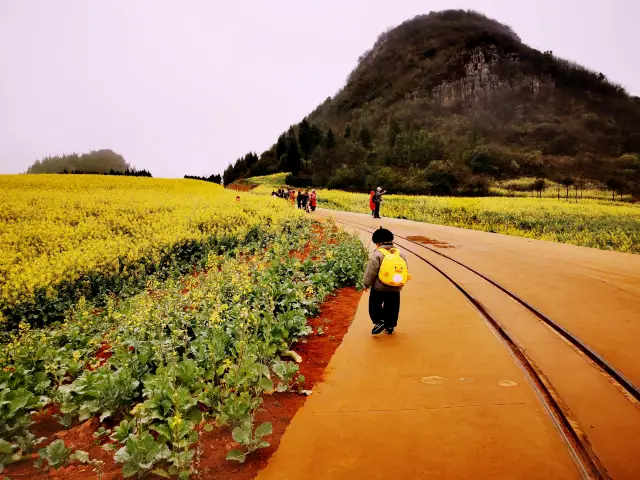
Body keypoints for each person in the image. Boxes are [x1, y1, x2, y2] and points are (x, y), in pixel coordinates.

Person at [362, 228, 408, 335]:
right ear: (391, 240)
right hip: (395, 287)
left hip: (379, 287)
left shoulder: (377, 254)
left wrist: (366, 284)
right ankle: (390, 325)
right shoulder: (400, 254)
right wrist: (401, 284)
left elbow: (371, 271)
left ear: (377, 243)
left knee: (374, 305)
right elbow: (404, 269)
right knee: (393, 307)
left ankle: (380, 321)